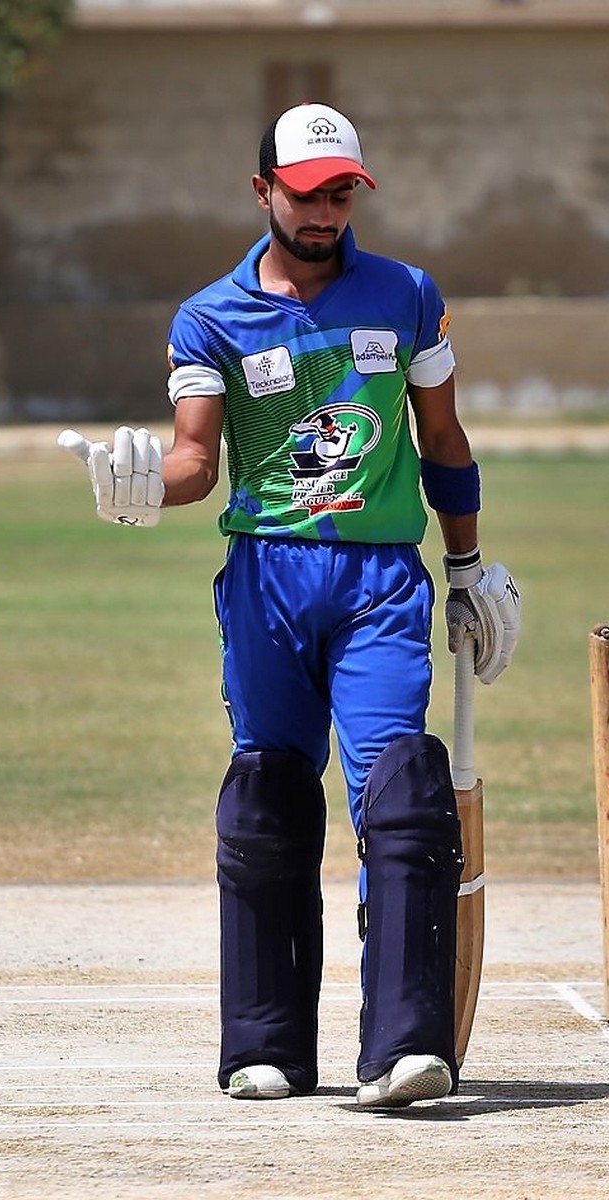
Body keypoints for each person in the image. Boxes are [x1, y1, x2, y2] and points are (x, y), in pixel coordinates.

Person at [61, 103, 520, 1108]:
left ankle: (404, 1046)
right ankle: (265, 1046)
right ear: (262, 189)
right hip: (266, 580)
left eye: (340, 193)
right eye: (305, 194)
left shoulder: (407, 295)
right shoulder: (209, 317)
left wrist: (467, 566)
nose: (323, 212)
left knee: (401, 791)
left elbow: (443, 441)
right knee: (268, 798)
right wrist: (140, 488)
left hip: (379, 582)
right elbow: (194, 459)